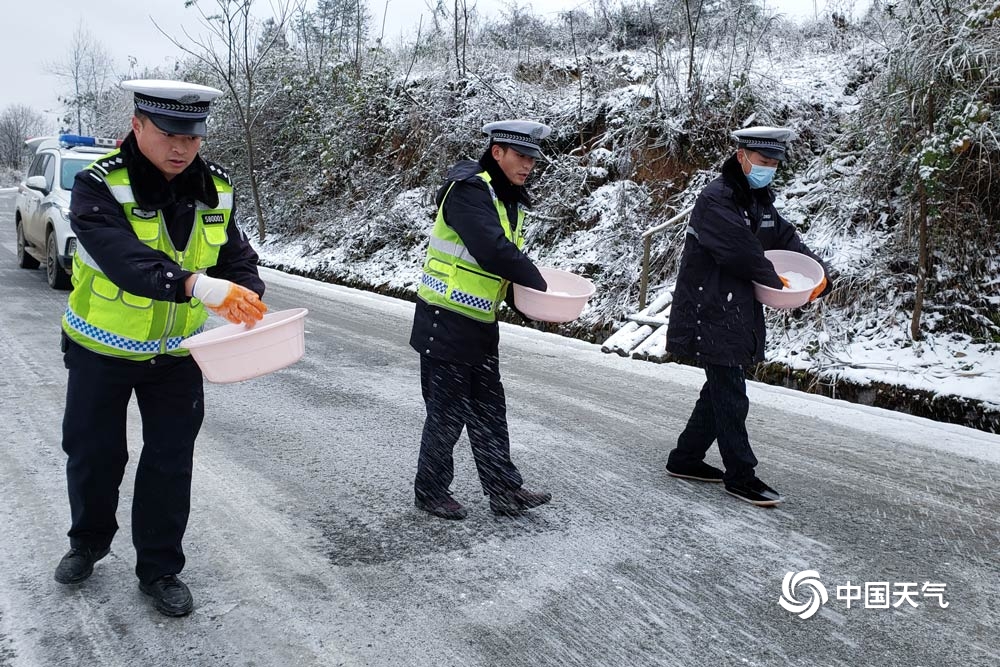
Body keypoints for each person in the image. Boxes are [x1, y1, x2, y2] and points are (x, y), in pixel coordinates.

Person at [53, 79, 267, 617]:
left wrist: (246, 292)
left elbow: (233, 254)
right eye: (168, 134)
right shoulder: (99, 186)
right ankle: (88, 541)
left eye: (191, 138)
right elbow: (122, 257)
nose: (181, 148)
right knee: (95, 454)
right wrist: (195, 284)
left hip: (178, 356)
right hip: (100, 351)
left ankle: (160, 568)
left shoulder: (216, 186)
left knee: (170, 462)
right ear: (137, 126)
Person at [664, 126, 832, 507]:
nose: (768, 168)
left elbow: (785, 238)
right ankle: (741, 475)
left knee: (720, 388)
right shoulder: (716, 200)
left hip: (735, 306)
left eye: (774, 163)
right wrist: (783, 282)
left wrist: (819, 275)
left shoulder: (758, 199)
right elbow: (743, 252)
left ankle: (685, 458)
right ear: (742, 157)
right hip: (709, 306)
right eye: (763, 161)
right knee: (731, 393)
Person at [410, 120, 554, 520]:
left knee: (490, 409)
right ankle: (431, 490)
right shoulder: (469, 190)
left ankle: (504, 489)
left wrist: (529, 301)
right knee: (447, 412)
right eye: (521, 157)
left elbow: (496, 268)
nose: (528, 166)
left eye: (533, 159)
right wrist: (540, 285)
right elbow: (491, 250)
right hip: (445, 318)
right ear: (497, 153)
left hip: (479, 321)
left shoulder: (505, 198)